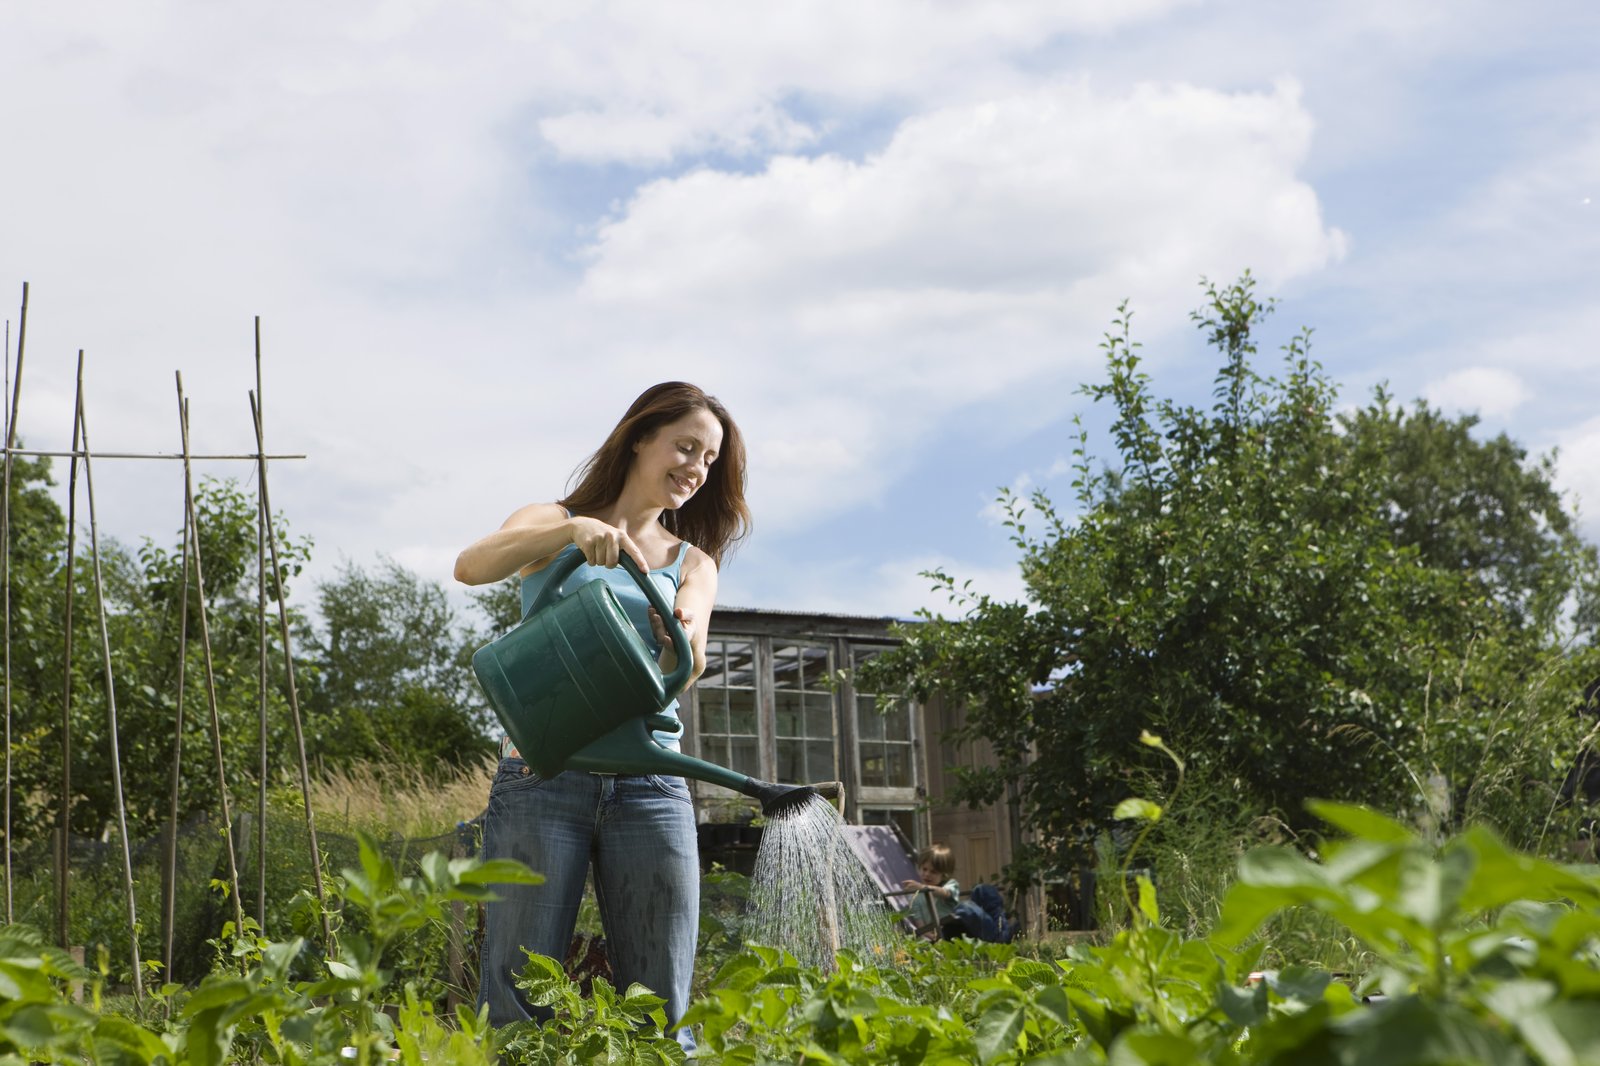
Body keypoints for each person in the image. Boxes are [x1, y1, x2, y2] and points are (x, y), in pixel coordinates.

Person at [454, 382, 750, 1049]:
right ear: (640, 438)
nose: (697, 469)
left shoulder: (692, 562)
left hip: (650, 782)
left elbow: (691, 660)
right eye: (686, 446)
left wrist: (677, 641)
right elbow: (470, 566)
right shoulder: (551, 519)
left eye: (709, 459)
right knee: (517, 1000)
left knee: (659, 1005)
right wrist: (570, 533)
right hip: (542, 774)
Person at [900, 843, 960, 940]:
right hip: (931, 934)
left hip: (951, 931)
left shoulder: (951, 885)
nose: (927, 874)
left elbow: (946, 893)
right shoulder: (916, 895)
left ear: (945, 875)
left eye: (933, 872)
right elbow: (918, 917)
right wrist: (927, 933)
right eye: (924, 869)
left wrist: (922, 887)